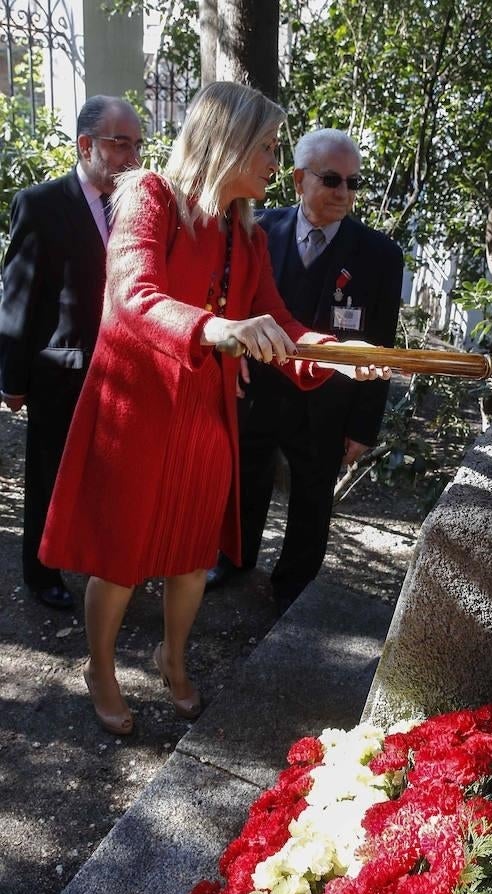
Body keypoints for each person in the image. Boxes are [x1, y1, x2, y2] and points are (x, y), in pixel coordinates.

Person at [38, 82, 390, 736]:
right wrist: (214, 328)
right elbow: (133, 297)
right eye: (265, 147)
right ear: (225, 142)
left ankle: (173, 660)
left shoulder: (245, 235)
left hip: (207, 413)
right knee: (121, 556)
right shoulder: (148, 197)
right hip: (138, 412)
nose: (271, 162)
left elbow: (281, 325)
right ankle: (102, 669)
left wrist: (339, 354)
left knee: (191, 551)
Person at [205, 128, 403, 610]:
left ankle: (293, 587)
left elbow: (380, 344)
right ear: (298, 180)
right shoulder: (257, 231)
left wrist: (363, 426)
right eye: (332, 179)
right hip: (257, 390)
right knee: (244, 480)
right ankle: (234, 559)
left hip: (328, 402)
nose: (344, 193)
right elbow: (228, 303)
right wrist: (228, 355)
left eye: (354, 183)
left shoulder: (379, 256)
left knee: (313, 499)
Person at [0, 95, 142, 610]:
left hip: (120, 373)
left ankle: (90, 559)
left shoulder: (133, 206)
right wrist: (12, 378)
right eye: (120, 142)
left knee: (103, 478)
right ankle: (41, 573)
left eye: (137, 144)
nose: (132, 155)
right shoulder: (40, 204)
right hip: (60, 370)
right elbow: (19, 295)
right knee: (49, 476)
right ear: (86, 145)